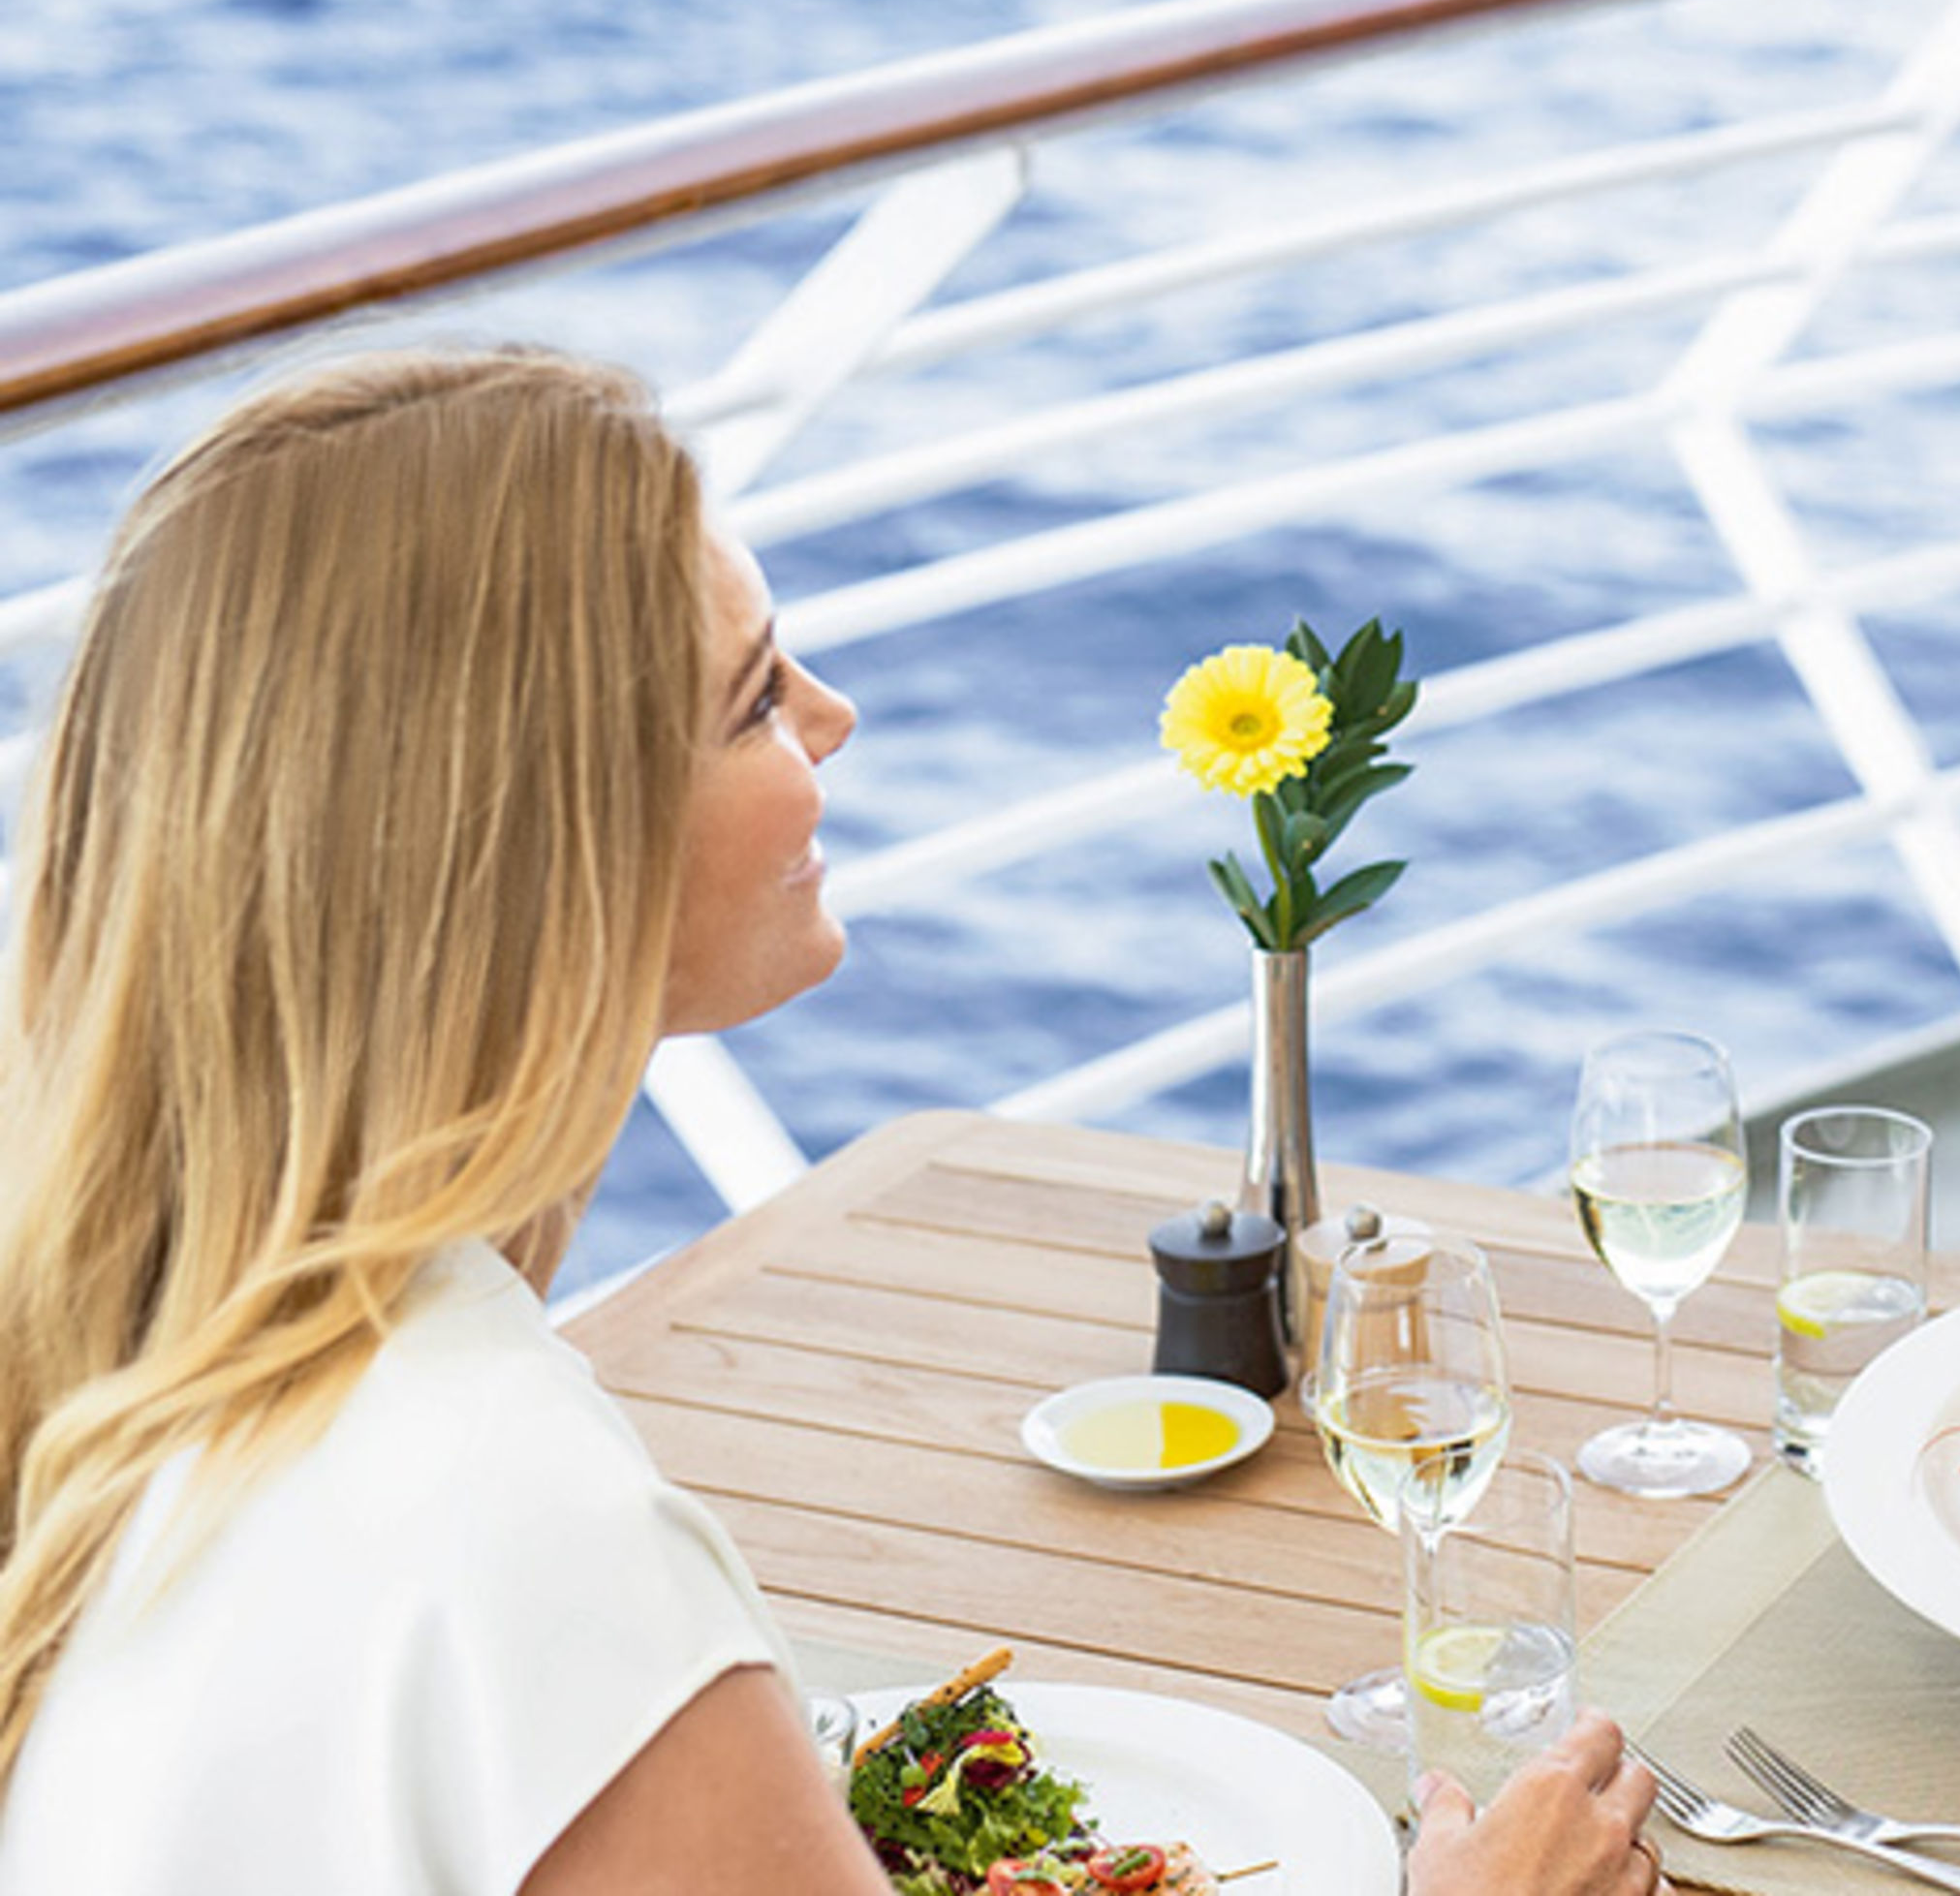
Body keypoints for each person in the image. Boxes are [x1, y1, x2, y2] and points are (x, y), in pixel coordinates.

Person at [0, 348, 1663, 1896]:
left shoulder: (139, 1380)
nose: (831, 717)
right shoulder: (526, 1542)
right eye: (750, 700)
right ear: (535, 851)